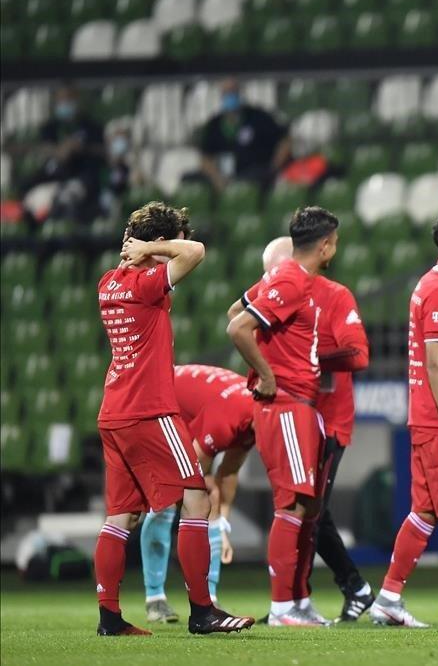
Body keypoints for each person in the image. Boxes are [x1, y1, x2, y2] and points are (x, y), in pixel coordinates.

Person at [94, 201, 253, 636]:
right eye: (170, 243)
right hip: (150, 410)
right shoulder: (146, 285)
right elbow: (196, 252)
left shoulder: (108, 282)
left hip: (113, 412)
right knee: (197, 498)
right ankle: (203, 611)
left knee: (121, 516)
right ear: (159, 243)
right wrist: (152, 248)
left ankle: (110, 618)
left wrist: (145, 249)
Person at [243, 235, 375, 622]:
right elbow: (239, 315)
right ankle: (298, 601)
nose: (271, 280)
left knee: (310, 512)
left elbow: (358, 354)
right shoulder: (276, 291)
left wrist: (309, 357)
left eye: (276, 271)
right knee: (301, 508)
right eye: (268, 274)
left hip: (328, 419)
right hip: (291, 410)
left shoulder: (334, 296)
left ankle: (303, 599)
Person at [367, 210, 438, 629]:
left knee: (426, 511)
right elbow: (436, 363)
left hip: (426, 416)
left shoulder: (428, 284)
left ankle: (388, 598)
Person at [226, 206, 339, 627]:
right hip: (286, 403)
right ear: (325, 245)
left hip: (300, 404)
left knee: (306, 504)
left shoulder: (287, 277)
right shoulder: (290, 279)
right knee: (291, 502)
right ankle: (281, 607)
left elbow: (234, 311)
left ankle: (298, 601)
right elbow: (237, 327)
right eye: (334, 242)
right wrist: (268, 374)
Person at [140, 364, 256, 622]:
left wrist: (222, 525)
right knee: (167, 500)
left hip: (184, 411)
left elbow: (229, 472)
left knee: (208, 496)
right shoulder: (230, 416)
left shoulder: (255, 417)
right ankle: (155, 598)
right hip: (155, 401)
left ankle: (208, 599)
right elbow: (191, 473)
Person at [24, 85, 105, 220]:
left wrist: (81, 148)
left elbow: (102, 152)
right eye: (61, 99)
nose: (65, 103)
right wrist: (58, 151)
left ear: (77, 99)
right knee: (34, 200)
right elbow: (42, 149)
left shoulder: (91, 127)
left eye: (69, 98)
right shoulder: (49, 128)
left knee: (68, 198)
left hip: (83, 180)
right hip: (51, 181)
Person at [198, 78, 291, 193]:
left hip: (254, 174)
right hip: (224, 176)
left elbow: (284, 141)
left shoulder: (259, 117)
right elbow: (205, 157)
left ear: (240, 93)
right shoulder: (214, 124)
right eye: (226, 93)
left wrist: (274, 168)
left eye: (233, 92)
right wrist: (216, 177)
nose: (230, 96)